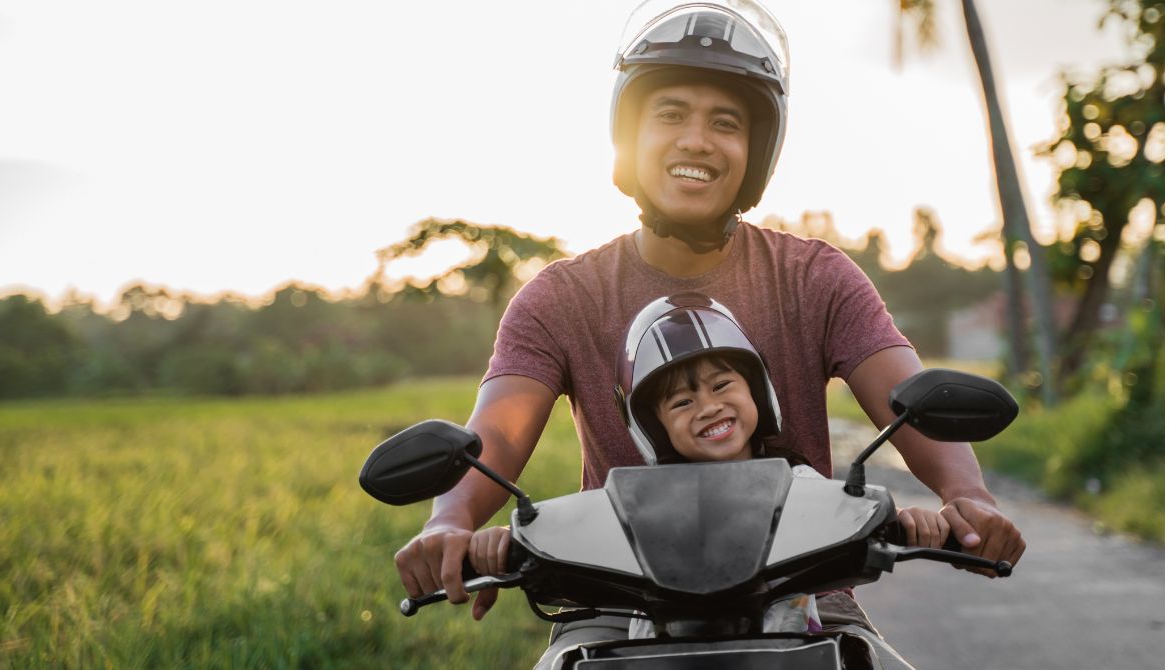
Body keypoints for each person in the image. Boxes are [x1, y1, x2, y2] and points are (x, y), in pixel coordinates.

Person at [394, 0, 1024, 664]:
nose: (696, 139)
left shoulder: (814, 277)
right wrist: (452, 520)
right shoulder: (562, 296)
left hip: (804, 596)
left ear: (754, 152)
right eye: (670, 114)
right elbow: (497, 432)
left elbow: (910, 395)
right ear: (629, 136)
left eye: (724, 122)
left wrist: (968, 497)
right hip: (614, 604)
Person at [467, 295, 951, 648]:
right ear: (652, 425)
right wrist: (501, 543)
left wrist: (911, 521)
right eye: (682, 401)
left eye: (723, 385)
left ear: (758, 390)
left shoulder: (800, 487)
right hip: (647, 657)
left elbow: (855, 516)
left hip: (797, 654)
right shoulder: (626, 506)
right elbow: (572, 532)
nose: (709, 406)